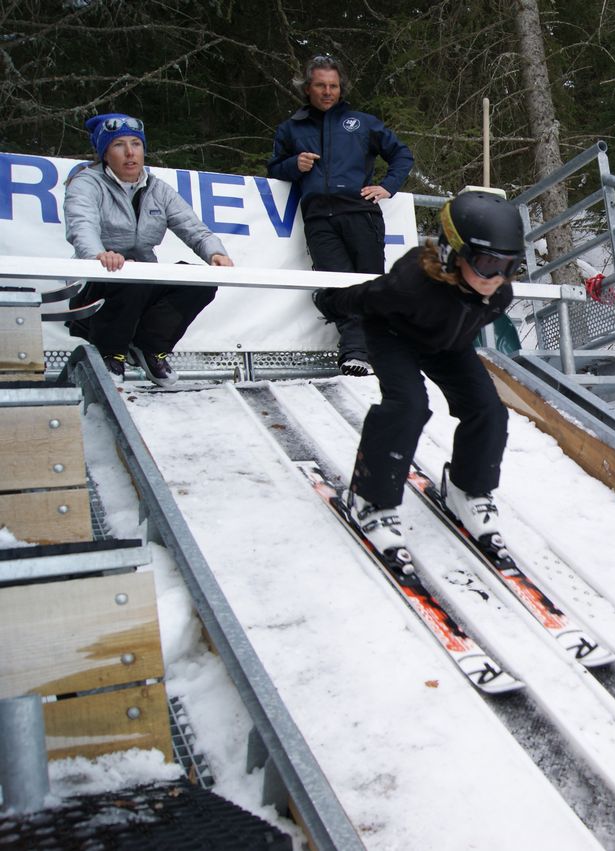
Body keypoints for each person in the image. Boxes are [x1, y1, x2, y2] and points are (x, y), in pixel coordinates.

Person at [312, 189, 522, 562]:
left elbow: (468, 313)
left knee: (488, 410)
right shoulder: (412, 282)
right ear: (453, 252)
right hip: (394, 336)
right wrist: (329, 301)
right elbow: (367, 297)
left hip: (447, 344)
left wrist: (486, 283)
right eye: (488, 263)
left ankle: (467, 488)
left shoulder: (498, 295)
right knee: (408, 405)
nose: (497, 277)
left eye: (509, 266)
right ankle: (370, 498)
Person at [267, 54, 414, 377]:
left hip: (361, 212)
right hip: (319, 217)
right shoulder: (291, 128)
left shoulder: (362, 123)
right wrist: (294, 165)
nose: (327, 92)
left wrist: (387, 186)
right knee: (339, 286)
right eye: (321, 85)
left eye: (333, 86)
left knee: (368, 286)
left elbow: (402, 154)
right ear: (308, 88)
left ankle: (361, 350)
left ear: (341, 88)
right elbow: (274, 168)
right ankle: (357, 352)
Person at [64, 113, 233, 388]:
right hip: (96, 287)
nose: (130, 153)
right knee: (132, 273)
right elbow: (81, 226)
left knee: (199, 282)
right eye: (119, 145)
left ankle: (149, 347)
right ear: (105, 153)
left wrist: (216, 254)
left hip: (140, 283)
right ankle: (110, 354)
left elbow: (194, 229)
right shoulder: (86, 183)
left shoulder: (158, 189)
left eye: (136, 144)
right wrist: (98, 255)